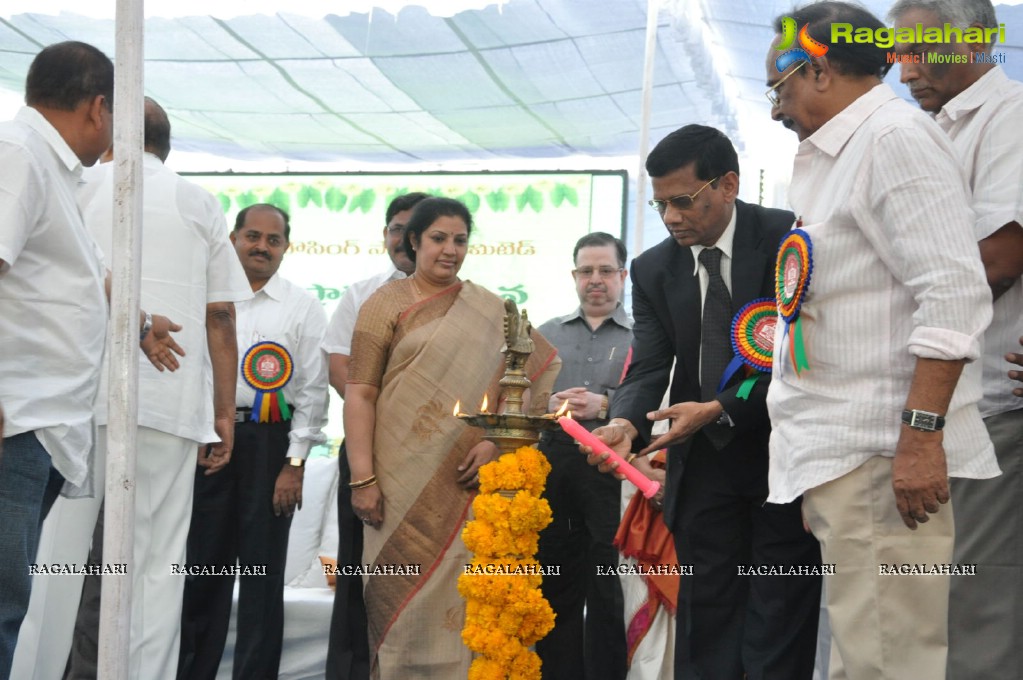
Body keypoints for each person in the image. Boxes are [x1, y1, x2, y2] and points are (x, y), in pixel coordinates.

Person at [762, 3, 997, 677]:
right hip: (850, 458)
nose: (775, 109)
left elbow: (953, 294)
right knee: (863, 659)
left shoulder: (892, 139)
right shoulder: (845, 150)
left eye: (777, 88)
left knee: (887, 662)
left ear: (817, 70)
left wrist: (920, 439)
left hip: (883, 455)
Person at [9, 96, 250, 680]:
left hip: (77, 398)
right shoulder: (198, 202)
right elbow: (220, 315)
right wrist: (223, 412)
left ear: (110, 130)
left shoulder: (79, 185)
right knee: (155, 568)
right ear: (167, 146)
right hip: (169, 405)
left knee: (50, 564)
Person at [586, 124, 822, 679]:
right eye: (661, 203)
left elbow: (792, 351)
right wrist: (624, 420)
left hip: (780, 460)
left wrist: (722, 406)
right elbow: (648, 366)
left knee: (777, 618)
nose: (671, 217)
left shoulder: (787, 238)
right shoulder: (652, 268)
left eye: (683, 200)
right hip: (703, 470)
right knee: (708, 620)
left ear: (729, 185)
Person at [0, 43, 184, 679]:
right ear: (100, 107)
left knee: (7, 603)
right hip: (13, 421)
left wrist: (136, 324)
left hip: (37, 426)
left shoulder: (51, 169)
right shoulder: (19, 157)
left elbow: (74, 278)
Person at [344, 196, 560, 678]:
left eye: (460, 240)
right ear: (414, 241)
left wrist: (497, 443)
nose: (450, 250)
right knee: (396, 603)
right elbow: (359, 394)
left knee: (464, 609)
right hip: (395, 479)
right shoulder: (384, 305)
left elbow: (537, 374)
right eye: (439, 238)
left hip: (466, 485)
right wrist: (363, 480)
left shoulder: (492, 309)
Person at [886, 1, 1023, 675]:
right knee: (929, 613)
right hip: (938, 407)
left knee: (978, 615)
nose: (904, 65)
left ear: (980, 40)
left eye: (920, 48)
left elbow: (996, 259)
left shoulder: (1010, 117)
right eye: (897, 51)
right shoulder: (926, 130)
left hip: (987, 404)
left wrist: (890, 315)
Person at [178, 203, 329, 680]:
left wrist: (295, 464)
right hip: (206, 439)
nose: (262, 246)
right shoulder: (200, 296)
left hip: (270, 446)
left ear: (285, 247)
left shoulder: (301, 306)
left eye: (273, 239)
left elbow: (310, 391)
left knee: (262, 577)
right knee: (204, 569)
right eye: (252, 236)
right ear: (233, 239)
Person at [324, 191, 428, 680]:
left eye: (413, 229)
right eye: (394, 228)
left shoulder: (465, 300)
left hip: (433, 453)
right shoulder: (362, 293)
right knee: (357, 568)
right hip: (368, 447)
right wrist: (391, 413)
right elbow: (340, 368)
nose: (401, 239)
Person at [534, 232, 631, 680]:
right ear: (574, 276)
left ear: (622, 276)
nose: (596, 280)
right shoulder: (545, 335)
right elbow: (520, 399)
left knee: (611, 586)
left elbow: (656, 399)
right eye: (586, 271)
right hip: (554, 471)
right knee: (556, 583)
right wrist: (546, 404)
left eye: (605, 270)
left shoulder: (645, 337)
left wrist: (606, 405)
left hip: (614, 472)